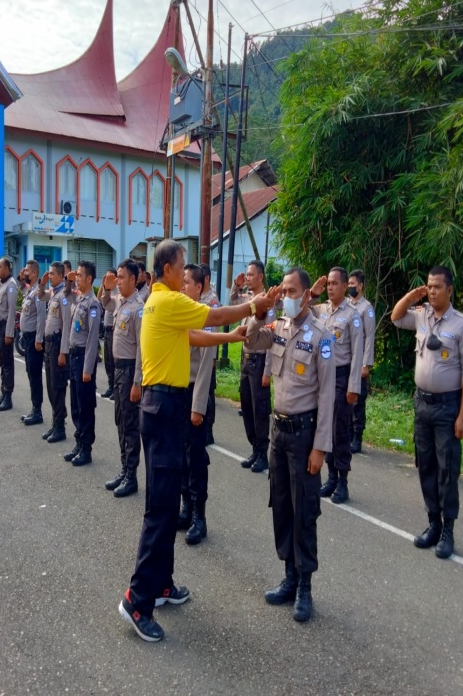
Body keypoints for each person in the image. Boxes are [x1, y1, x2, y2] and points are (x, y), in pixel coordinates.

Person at [118, 238, 280, 643]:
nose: (185, 271)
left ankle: (163, 583)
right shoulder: (168, 301)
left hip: (161, 408)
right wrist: (255, 306)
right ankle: (138, 600)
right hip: (165, 405)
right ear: (168, 269)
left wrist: (233, 337)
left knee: (167, 502)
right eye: (183, 265)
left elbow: (194, 336)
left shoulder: (159, 304)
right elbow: (216, 313)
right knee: (160, 510)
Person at [245, 267, 335, 623]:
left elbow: (327, 395)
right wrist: (261, 310)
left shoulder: (321, 336)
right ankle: (288, 576)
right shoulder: (279, 326)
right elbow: (251, 342)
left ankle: (306, 586)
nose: (287, 295)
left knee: (304, 511)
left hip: (304, 435)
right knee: (281, 505)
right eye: (283, 290)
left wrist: (320, 448)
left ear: (308, 295)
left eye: (292, 290)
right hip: (278, 432)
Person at [392, 266, 463, 559]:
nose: (431, 291)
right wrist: (412, 295)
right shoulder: (421, 315)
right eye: (428, 286)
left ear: (450, 290)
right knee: (426, 466)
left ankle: (448, 531)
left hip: (447, 407)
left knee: (447, 470)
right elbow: (395, 317)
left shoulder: (462, 325)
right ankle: (433, 524)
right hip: (422, 404)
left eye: (437, 287)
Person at [181, 264, 243, 545]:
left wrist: (198, 406)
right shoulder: (182, 307)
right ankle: (185, 508)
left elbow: (206, 361)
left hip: (195, 391)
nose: (182, 286)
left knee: (195, 459)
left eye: (187, 282)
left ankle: (199, 517)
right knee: (180, 456)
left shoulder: (205, 310)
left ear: (200, 285)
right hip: (178, 391)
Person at [310, 267, 363, 505]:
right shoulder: (320, 310)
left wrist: (354, 387)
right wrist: (313, 293)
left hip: (342, 378)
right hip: (322, 377)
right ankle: (330, 477)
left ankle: (342, 481)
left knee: (340, 430)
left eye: (334, 283)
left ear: (345, 287)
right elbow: (297, 309)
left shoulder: (352, 315)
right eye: (328, 283)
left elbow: (358, 352)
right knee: (325, 427)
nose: (330, 287)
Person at [100, 260, 144, 496]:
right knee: (120, 420)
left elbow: (141, 349)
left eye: (121, 277)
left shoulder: (138, 308)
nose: (117, 280)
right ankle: (124, 469)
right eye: (116, 277)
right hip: (118, 370)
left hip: (129, 372)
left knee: (130, 424)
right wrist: (106, 288)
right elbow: (105, 303)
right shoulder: (120, 301)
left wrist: (137, 382)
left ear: (133, 280)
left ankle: (132, 476)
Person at [231, 261, 276, 472]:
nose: (247, 278)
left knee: (260, 410)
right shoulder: (249, 299)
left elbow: (270, 339)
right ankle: (254, 449)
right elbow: (232, 304)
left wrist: (267, 371)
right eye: (246, 274)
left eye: (251, 275)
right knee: (247, 407)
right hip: (246, 359)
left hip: (259, 361)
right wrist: (236, 287)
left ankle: (262, 453)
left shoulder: (268, 302)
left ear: (260, 277)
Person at [63, 260, 101, 466]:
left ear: (89, 279)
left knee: (86, 406)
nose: (76, 278)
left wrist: (88, 368)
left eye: (79, 275)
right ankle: (78, 443)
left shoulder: (93, 304)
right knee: (76, 404)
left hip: (83, 359)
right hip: (74, 356)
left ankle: (86, 448)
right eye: (75, 275)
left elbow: (93, 338)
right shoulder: (78, 300)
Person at [38, 262, 75, 443]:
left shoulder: (64, 295)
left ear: (61, 276)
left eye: (52, 274)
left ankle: (60, 427)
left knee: (58, 387)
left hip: (58, 346)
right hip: (49, 345)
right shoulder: (53, 293)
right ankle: (55, 423)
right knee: (51, 386)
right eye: (49, 274)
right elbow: (39, 295)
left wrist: (63, 352)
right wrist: (42, 283)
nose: (50, 276)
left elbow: (66, 324)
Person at [347, 269, 376, 453]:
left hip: (359, 363)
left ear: (361, 286)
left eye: (353, 284)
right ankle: (347, 436)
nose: (350, 287)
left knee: (358, 402)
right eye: (348, 284)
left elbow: (369, 337)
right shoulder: (347, 306)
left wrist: (366, 364)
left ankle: (357, 438)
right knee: (347, 401)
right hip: (346, 360)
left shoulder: (367, 308)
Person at [15, 260, 46, 427]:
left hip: (34, 338)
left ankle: (38, 411)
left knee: (34, 375)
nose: (24, 272)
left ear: (34, 273)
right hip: (27, 338)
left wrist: (39, 339)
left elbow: (41, 317)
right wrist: (21, 280)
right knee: (30, 373)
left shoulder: (38, 292)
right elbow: (23, 289)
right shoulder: (30, 291)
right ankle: (34, 408)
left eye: (27, 271)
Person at [0, 257, 18, 412]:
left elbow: (12, 311)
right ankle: (3, 392)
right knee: (1, 362)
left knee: (7, 364)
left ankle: (8, 396)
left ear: (7, 268)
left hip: (5, 328)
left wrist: (9, 333)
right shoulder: (0, 283)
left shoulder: (11, 285)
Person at [199, 264, 220, 446]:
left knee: (209, 393)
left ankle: (209, 430)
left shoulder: (212, 300)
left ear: (206, 279)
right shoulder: (197, 298)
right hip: (199, 352)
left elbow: (213, 330)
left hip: (209, 352)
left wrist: (212, 358)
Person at [101, 267, 118, 400]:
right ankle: (110, 385)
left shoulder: (117, 291)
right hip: (106, 329)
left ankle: (115, 387)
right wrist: (103, 286)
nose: (108, 279)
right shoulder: (107, 290)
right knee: (107, 360)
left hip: (114, 329)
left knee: (113, 361)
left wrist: (111, 287)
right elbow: (100, 300)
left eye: (110, 276)